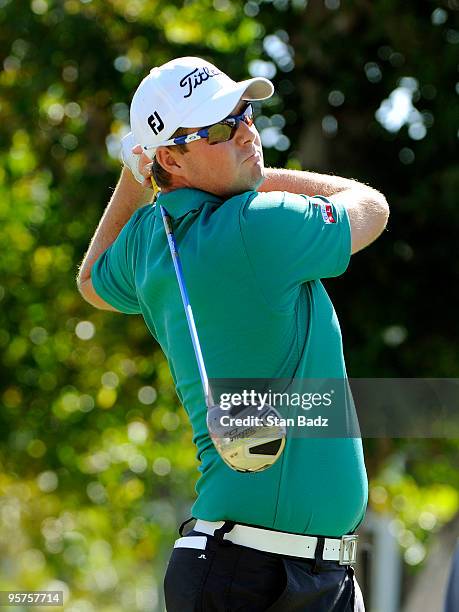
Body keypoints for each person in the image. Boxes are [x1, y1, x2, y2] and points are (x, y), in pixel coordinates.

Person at [77, 56, 389, 611]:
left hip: (270, 571)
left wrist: (135, 176)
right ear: (171, 156)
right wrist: (259, 178)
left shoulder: (151, 240)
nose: (248, 131)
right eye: (220, 129)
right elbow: (371, 207)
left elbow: (91, 281)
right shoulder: (257, 222)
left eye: (245, 113)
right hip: (256, 576)